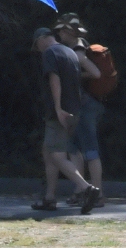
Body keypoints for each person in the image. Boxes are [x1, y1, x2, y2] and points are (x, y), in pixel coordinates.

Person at [31, 29, 101, 213]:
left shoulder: (50, 53)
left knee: (57, 156)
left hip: (60, 112)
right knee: (48, 151)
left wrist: (58, 109)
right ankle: (50, 197)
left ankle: (87, 188)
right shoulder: (69, 52)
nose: (37, 50)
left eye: (36, 45)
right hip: (75, 109)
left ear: (42, 39)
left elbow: (55, 80)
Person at [53, 15, 105, 206]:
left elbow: (96, 73)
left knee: (90, 149)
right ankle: (82, 190)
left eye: (61, 30)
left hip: (86, 106)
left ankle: (97, 194)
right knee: (74, 150)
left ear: (68, 32)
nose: (58, 34)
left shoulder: (78, 50)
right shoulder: (76, 47)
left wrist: (74, 75)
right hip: (77, 106)